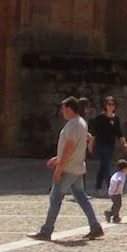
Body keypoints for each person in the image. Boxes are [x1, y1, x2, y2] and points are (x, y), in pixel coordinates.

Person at [32, 96, 105, 242]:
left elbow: (70, 147)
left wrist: (60, 167)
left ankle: (46, 230)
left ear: (70, 109)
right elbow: (77, 146)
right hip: (77, 167)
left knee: (55, 198)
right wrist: (58, 158)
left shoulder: (73, 125)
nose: (62, 112)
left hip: (69, 169)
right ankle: (95, 227)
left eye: (63, 109)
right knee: (81, 197)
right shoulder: (81, 123)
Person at [90, 96, 121, 192]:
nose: (111, 106)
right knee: (106, 164)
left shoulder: (116, 118)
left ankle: (98, 187)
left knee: (103, 165)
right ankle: (110, 187)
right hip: (101, 144)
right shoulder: (100, 118)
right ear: (105, 105)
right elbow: (94, 132)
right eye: (109, 104)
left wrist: (124, 143)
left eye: (113, 104)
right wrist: (91, 144)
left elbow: (118, 132)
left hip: (110, 144)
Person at [106, 158, 127, 224]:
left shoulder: (116, 174)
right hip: (116, 192)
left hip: (111, 192)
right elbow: (119, 181)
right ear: (124, 169)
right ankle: (110, 214)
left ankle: (116, 217)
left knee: (116, 204)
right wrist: (116, 189)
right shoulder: (122, 175)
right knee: (118, 204)